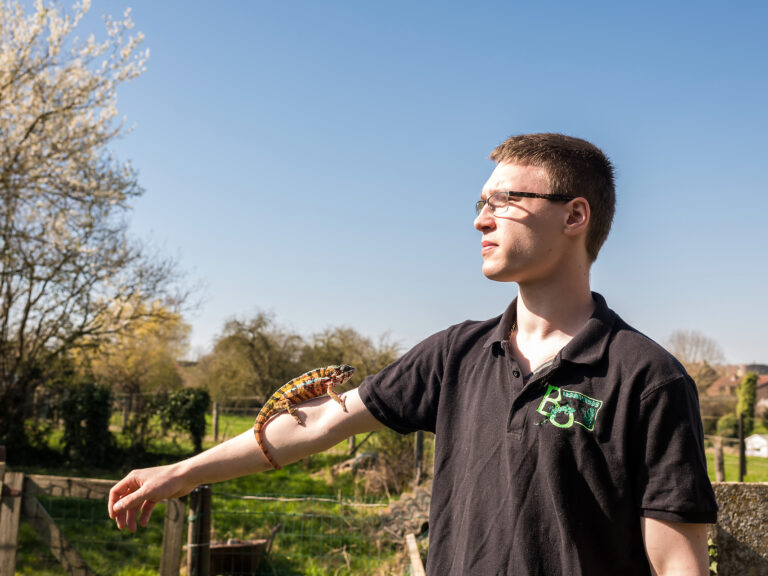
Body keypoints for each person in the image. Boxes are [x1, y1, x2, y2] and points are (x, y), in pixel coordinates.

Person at [109, 133, 717, 575]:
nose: (482, 220)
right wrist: (177, 474)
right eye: (479, 204)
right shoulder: (455, 353)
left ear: (574, 215)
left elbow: (676, 562)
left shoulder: (647, 378)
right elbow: (318, 421)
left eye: (504, 200)